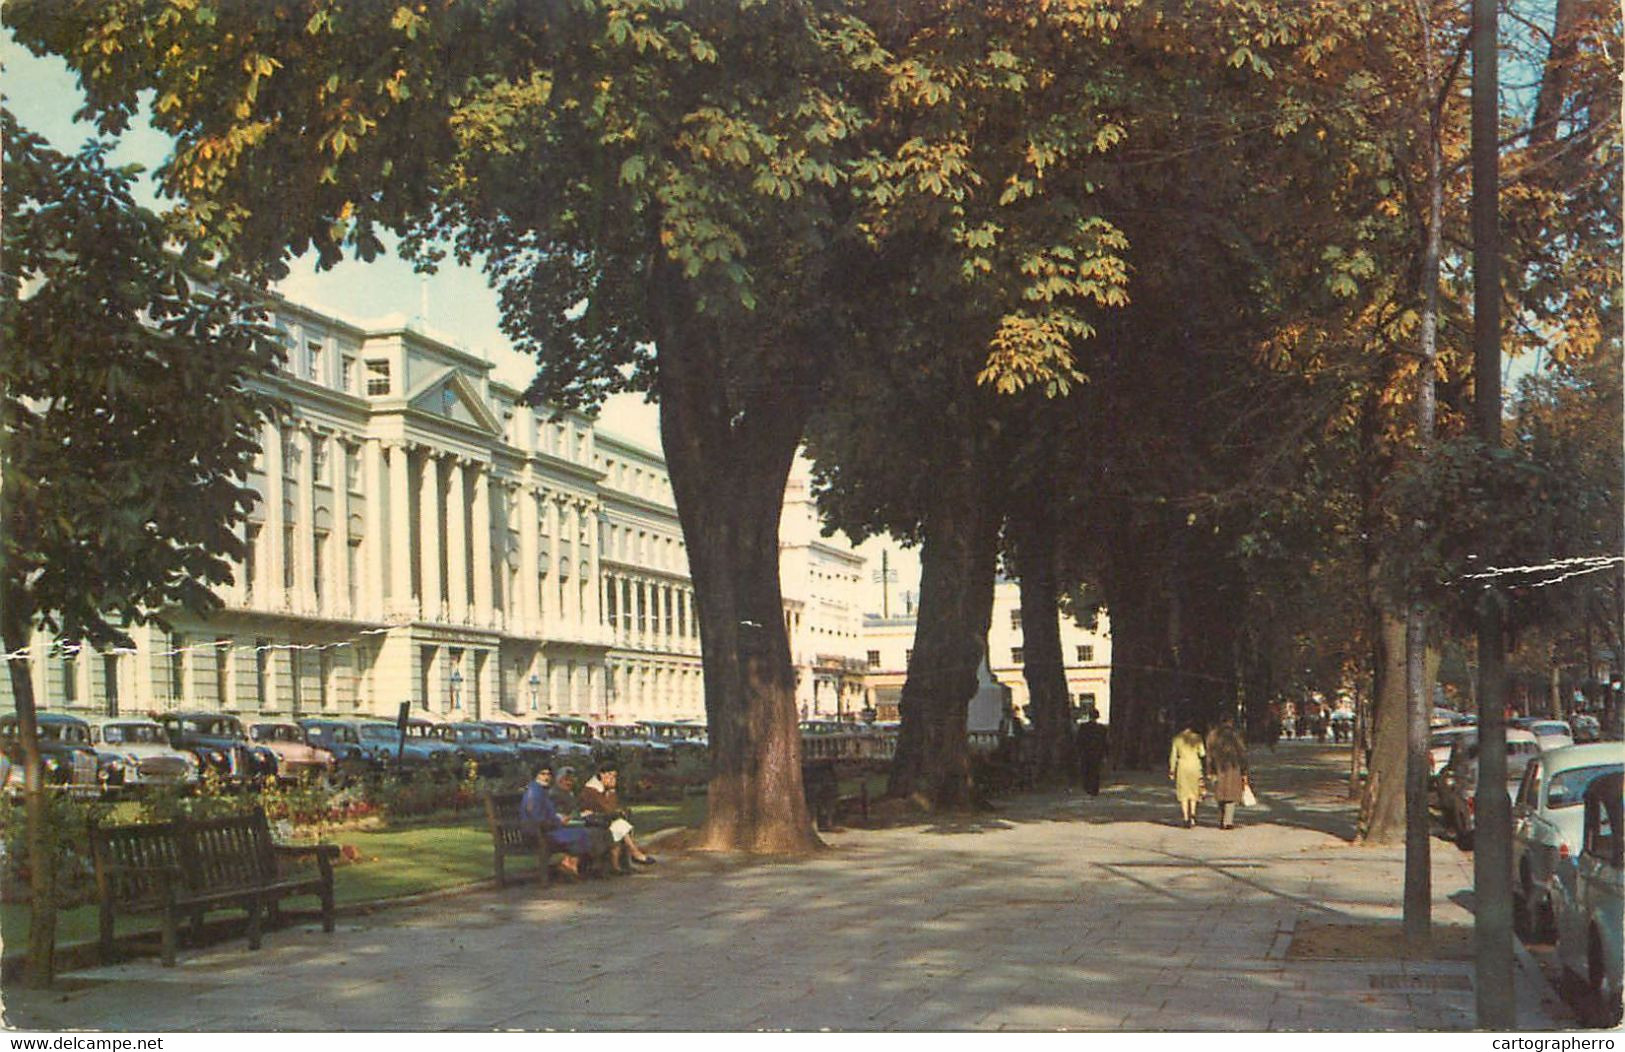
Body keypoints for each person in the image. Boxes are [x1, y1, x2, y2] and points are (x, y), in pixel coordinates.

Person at [519, 766, 598, 880]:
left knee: (582, 832)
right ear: (535, 775)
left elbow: (547, 812)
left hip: (547, 828)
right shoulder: (534, 792)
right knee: (581, 833)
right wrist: (557, 821)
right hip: (537, 832)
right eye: (542, 773)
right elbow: (536, 816)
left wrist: (558, 818)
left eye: (548, 774)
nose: (546, 777)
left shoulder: (541, 790)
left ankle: (570, 865)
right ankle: (568, 864)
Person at [579, 761, 657, 871]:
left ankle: (618, 865)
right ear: (602, 775)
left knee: (619, 827)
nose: (613, 779)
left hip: (604, 820)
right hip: (592, 821)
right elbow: (607, 809)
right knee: (620, 825)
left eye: (614, 776)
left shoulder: (607, 789)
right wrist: (611, 797)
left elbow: (613, 808)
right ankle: (635, 853)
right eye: (611, 776)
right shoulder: (591, 790)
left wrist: (611, 792)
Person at [1204, 719, 1250, 830]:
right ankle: (1227, 821)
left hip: (1218, 767)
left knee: (1220, 794)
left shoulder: (1213, 735)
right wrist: (1244, 769)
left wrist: (1209, 769)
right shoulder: (1235, 734)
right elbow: (1242, 752)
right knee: (1231, 795)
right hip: (1233, 767)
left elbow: (1209, 753)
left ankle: (1222, 819)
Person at [1168, 723, 1207, 829]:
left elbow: (1173, 756)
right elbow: (1202, 753)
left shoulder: (1177, 739)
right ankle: (1193, 815)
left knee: (1184, 793)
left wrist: (1172, 770)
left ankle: (1185, 818)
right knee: (1194, 791)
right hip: (1194, 765)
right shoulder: (1197, 738)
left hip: (1182, 766)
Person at [1075, 711, 1109, 796]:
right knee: (1095, 771)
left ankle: (1087, 787)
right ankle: (1094, 789)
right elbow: (1105, 743)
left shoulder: (1083, 727)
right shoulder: (1102, 729)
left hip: (1086, 753)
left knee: (1086, 771)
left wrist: (1079, 752)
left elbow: (1079, 741)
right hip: (1097, 754)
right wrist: (1105, 754)